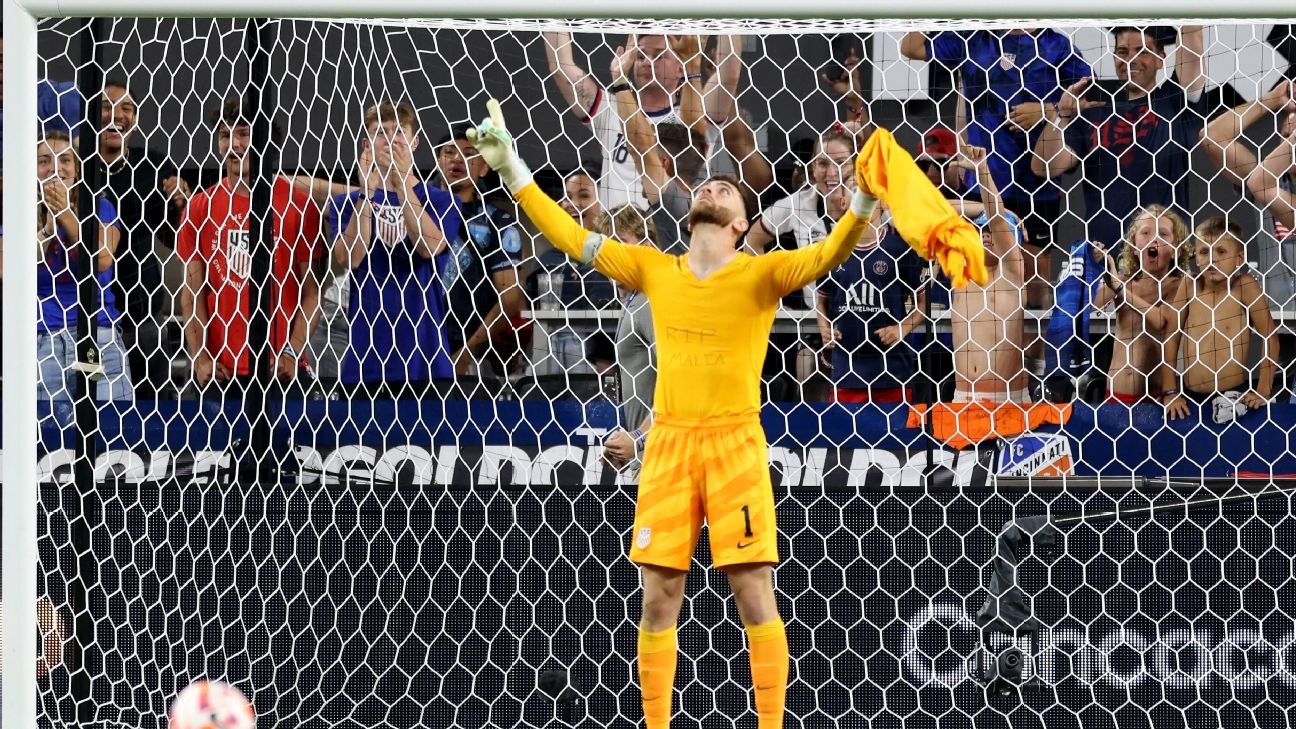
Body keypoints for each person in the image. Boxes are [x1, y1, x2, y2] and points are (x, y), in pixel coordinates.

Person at [465, 97, 984, 729]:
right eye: (706, 184)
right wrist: (515, 169)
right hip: (669, 447)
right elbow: (571, 236)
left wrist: (864, 203)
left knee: (753, 594)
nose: (713, 187)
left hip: (736, 444)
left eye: (727, 189)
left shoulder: (761, 274)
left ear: (742, 222)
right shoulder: (654, 268)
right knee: (659, 600)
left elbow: (828, 256)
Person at [901, 27, 1091, 308]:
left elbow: (1091, 97)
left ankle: (1032, 354)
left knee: (1034, 291)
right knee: (978, 283)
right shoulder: (974, 39)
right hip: (983, 181)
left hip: (1036, 186)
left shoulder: (1057, 45)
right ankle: (983, 351)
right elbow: (910, 47)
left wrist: (1045, 110)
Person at [177, 93, 323, 396]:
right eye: (225, 135)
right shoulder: (199, 207)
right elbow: (192, 294)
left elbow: (312, 294)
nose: (234, 144)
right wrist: (201, 357)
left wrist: (293, 352)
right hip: (221, 373)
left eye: (243, 133)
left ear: (264, 139)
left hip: (281, 369)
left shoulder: (299, 204)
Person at [1032, 25, 1207, 248]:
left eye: (1142, 51)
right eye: (1123, 52)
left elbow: (1192, 33)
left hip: (1161, 258)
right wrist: (1062, 115)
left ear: (1161, 58)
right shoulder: (1091, 112)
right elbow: (1043, 167)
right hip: (1103, 258)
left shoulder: (1175, 101)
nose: (1131, 59)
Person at [330, 100, 459, 397]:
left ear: (414, 143)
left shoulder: (442, 201)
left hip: (425, 358)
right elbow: (350, 257)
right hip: (366, 359)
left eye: (399, 131)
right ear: (367, 144)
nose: (390, 139)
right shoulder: (345, 204)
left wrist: (402, 185)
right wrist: (365, 194)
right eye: (381, 132)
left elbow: (428, 247)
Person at [543, 31, 736, 209]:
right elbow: (561, 66)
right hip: (617, 241)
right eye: (641, 56)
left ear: (680, 68)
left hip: (670, 239)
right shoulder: (611, 109)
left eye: (659, 56)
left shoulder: (694, 114)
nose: (647, 62)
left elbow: (729, 75)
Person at [95, 77, 190, 397]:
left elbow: (172, 238)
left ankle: (154, 449)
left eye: (127, 109)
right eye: (107, 107)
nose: (117, 115)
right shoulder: (76, 164)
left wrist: (179, 206)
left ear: (135, 120)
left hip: (142, 305)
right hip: (91, 313)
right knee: (94, 391)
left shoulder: (153, 164)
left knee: (151, 395)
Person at [35, 131, 131, 410]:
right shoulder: (17, 211)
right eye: (44, 161)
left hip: (97, 337)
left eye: (65, 160)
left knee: (114, 438)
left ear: (77, 169)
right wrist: (48, 228)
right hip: (43, 343)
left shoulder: (100, 207)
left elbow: (102, 259)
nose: (55, 168)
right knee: (48, 444)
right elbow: (9, 268)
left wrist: (64, 212)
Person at [1162, 217, 1279, 419]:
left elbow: (1270, 336)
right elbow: (1170, 338)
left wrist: (1263, 389)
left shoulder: (1244, 285)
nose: (1212, 259)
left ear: (1239, 258)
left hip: (1232, 395)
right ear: (1196, 257)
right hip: (1191, 397)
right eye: (1204, 252)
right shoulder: (1190, 285)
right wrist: (1170, 392)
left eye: (1221, 251)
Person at [432, 128, 525, 378]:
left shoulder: (499, 223)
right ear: (438, 161)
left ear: (484, 168)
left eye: (469, 154)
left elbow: (510, 299)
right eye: (448, 152)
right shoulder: (415, 212)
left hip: (470, 356)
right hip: (410, 347)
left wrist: (465, 353)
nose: (457, 159)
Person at [818, 191, 927, 404]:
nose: (864, 200)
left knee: (894, 436)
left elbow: (923, 304)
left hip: (892, 372)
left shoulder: (899, 250)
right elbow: (821, 301)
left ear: (883, 204)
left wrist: (901, 328)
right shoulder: (830, 249)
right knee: (845, 435)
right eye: (857, 193)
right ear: (843, 202)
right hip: (847, 373)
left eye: (870, 195)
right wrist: (824, 327)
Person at [1201, 80, 1296, 309]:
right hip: (1278, 318)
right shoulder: (1266, 181)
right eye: (1288, 136)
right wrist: (1271, 100)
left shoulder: (1264, 185)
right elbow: (1212, 136)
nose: (1291, 145)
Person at [948, 146, 1029, 403]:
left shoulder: (1012, 272)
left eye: (992, 231)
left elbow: (995, 218)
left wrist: (983, 171)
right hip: (963, 399)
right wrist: (979, 209)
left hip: (1007, 400)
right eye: (980, 229)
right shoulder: (961, 270)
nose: (985, 234)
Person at [1092, 206, 1189, 404]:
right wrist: (1093, 267)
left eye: (1163, 233)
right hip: (1115, 396)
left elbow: (1162, 320)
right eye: (1145, 232)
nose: (1154, 239)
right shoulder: (1123, 281)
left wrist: (1120, 290)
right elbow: (1088, 307)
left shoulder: (1181, 285)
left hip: (1158, 398)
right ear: (1135, 247)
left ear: (1175, 247)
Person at [596, 204, 660, 480]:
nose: (610, 256)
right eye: (605, 248)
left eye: (619, 244)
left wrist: (638, 437)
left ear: (645, 245)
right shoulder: (634, 300)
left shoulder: (651, 300)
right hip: (648, 456)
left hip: (661, 461)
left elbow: (683, 383)